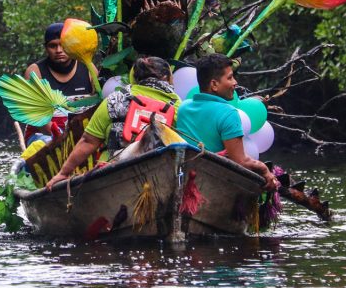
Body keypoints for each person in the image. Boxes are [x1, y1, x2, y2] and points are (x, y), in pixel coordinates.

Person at [44, 56, 180, 190]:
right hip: (160, 176)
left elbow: (88, 141)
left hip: (113, 175)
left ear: (135, 77)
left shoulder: (115, 100)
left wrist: (63, 173)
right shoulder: (179, 107)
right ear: (166, 78)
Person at [174, 54, 278, 191]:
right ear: (214, 84)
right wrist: (264, 170)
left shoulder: (184, 107)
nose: (235, 82)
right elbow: (240, 161)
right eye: (230, 77)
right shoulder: (229, 113)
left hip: (185, 179)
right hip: (211, 184)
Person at [22, 23, 96, 140]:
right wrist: (61, 137)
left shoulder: (88, 68)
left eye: (63, 45)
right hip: (44, 135)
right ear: (46, 48)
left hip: (83, 134)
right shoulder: (35, 72)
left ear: (71, 45)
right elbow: (36, 117)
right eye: (53, 46)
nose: (58, 50)